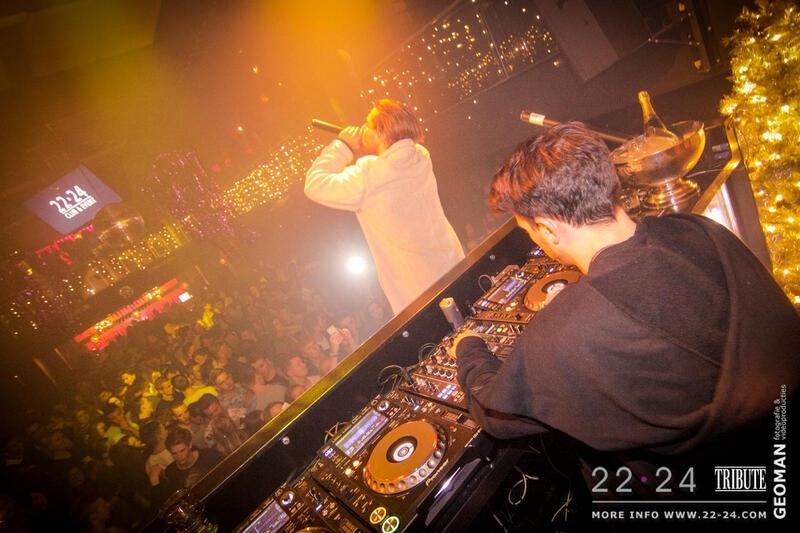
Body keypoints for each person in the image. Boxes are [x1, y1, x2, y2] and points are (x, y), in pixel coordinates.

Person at [451, 123, 800, 513]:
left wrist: (469, 348)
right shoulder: (699, 230)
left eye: (528, 230)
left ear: (547, 229)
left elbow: (496, 412)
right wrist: (579, 308)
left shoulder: (563, 334)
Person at [305, 98, 465, 314]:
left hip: (421, 292)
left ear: (382, 133)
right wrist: (368, 147)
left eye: (368, 124)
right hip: (454, 266)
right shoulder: (420, 155)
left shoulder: (368, 175)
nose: (362, 128)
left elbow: (315, 184)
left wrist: (342, 146)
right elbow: (390, 163)